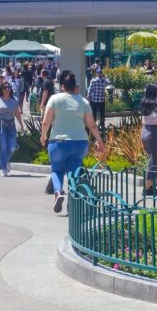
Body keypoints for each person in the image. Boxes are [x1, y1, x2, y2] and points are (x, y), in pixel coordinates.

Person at [40, 72, 104, 213]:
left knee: (57, 170)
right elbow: (92, 125)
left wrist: (43, 136)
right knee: (74, 172)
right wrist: (99, 141)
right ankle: (72, 198)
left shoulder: (54, 99)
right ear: (75, 86)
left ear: (62, 86)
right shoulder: (84, 101)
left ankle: (58, 192)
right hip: (80, 142)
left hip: (58, 142)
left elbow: (46, 122)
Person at [0, 82, 25, 177]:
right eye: (5, 87)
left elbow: (17, 113)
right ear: (2, 89)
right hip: (0, 125)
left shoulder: (14, 99)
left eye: (9, 87)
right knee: (3, 147)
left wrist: (21, 125)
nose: (7, 89)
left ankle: (5, 160)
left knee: (12, 147)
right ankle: (4, 168)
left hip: (11, 125)